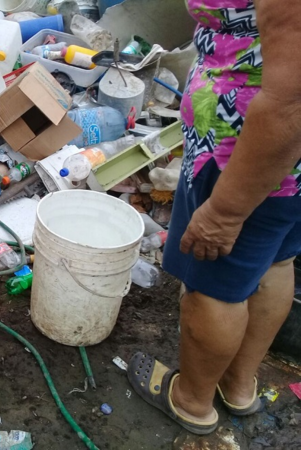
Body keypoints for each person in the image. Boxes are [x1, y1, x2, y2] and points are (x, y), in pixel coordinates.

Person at [127, 0, 301, 435]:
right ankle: (238, 386)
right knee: (275, 262)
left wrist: (225, 211)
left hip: (247, 161)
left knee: (213, 286)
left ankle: (191, 401)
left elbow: (291, 104)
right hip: (291, 173)